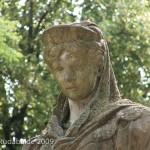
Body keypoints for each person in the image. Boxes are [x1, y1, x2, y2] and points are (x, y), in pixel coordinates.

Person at [22, 21, 150, 150]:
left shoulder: (137, 126)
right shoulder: (36, 146)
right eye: (60, 69)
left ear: (98, 66)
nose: (68, 77)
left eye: (77, 66)